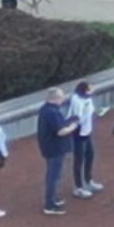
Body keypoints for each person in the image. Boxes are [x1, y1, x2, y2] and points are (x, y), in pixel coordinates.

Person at [33, 88, 77, 216]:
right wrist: (72, 127)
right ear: (55, 98)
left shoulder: (45, 109)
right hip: (54, 148)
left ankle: (53, 198)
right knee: (53, 175)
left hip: (49, 147)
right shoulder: (52, 112)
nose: (63, 99)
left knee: (54, 174)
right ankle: (49, 204)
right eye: (61, 97)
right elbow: (60, 131)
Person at [68, 82, 105, 200]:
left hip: (87, 131)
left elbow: (91, 110)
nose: (92, 91)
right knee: (79, 159)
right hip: (79, 133)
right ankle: (78, 187)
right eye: (89, 89)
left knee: (90, 155)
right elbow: (76, 118)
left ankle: (88, 181)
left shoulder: (87, 98)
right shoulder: (77, 101)